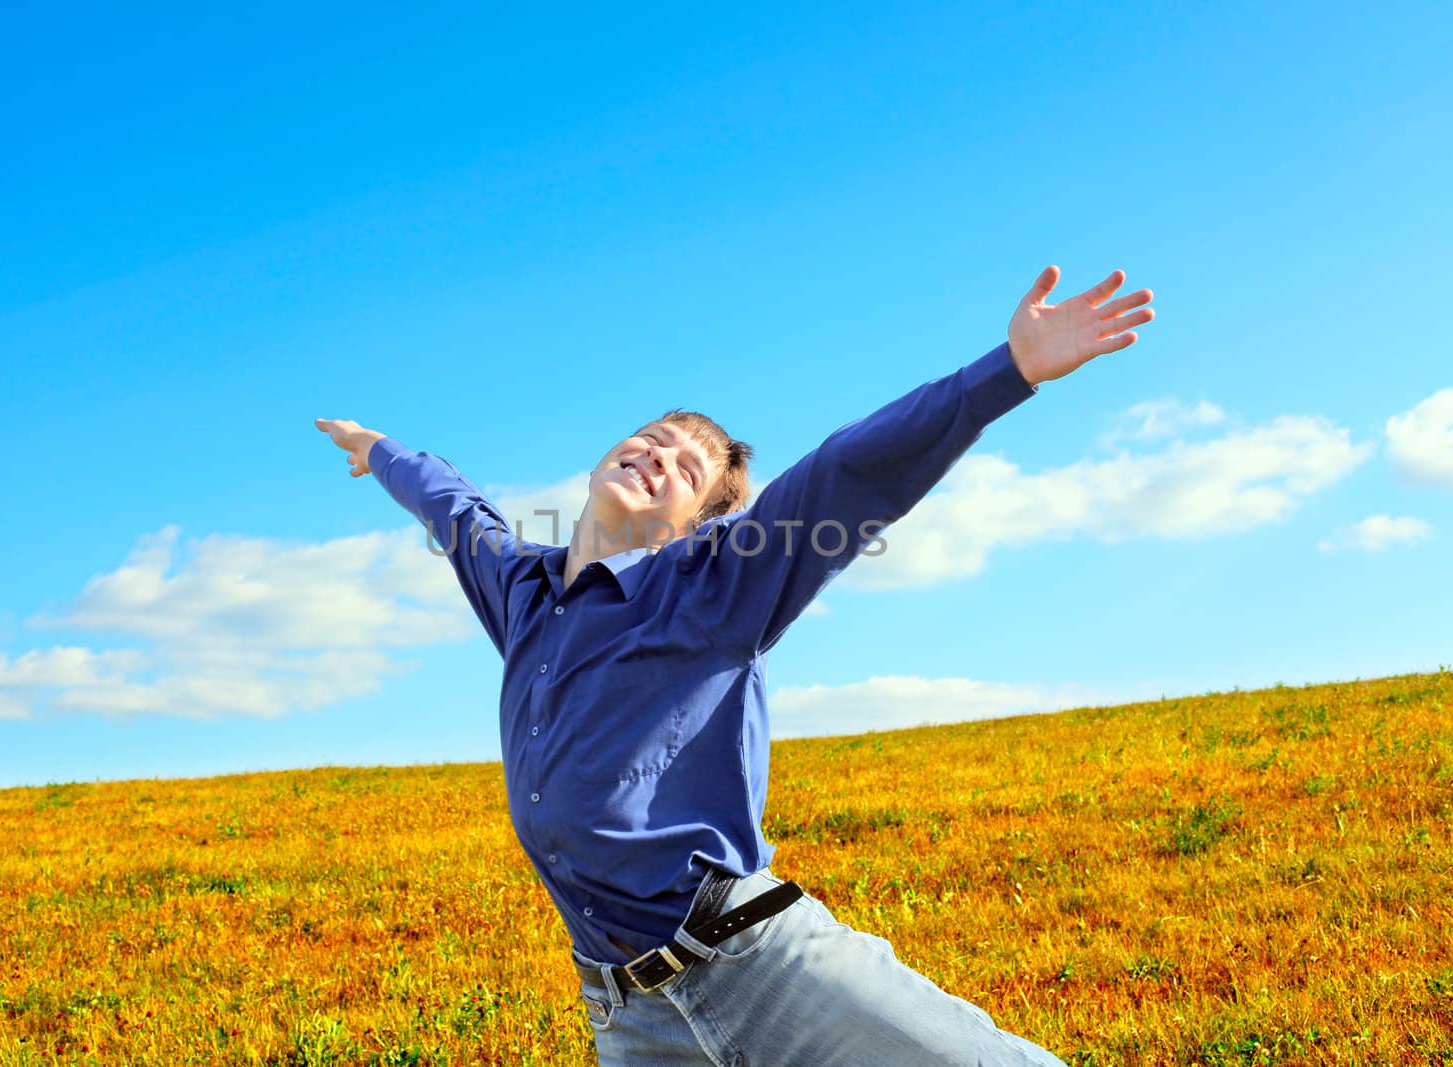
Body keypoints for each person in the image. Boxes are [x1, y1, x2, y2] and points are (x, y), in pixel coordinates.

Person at [317, 266, 1155, 1065]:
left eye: (687, 466)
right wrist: (376, 447)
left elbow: (844, 473)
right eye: (651, 438)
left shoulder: (716, 580)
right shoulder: (521, 590)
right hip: (630, 1014)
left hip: (763, 967)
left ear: (694, 521)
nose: (658, 455)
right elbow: (449, 501)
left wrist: (1007, 372)